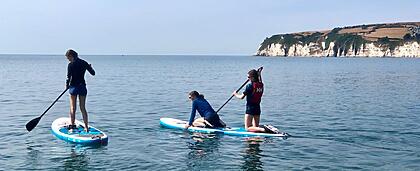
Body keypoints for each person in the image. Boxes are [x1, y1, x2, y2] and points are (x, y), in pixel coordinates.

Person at [233, 68, 278, 133]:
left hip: (250, 108)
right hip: (257, 107)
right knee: (255, 128)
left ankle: (264, 129)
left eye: (249, 77)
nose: (248, 79)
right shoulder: (261, 85)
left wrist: (235, 94)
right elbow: (259, 80)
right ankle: (256, 139)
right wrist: (259, 74)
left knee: (247, 128)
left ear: (253, 77)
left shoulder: (250, 86)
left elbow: (241, 97)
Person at [65, 49, 95, 132]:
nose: (68, 60)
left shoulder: (70, 65)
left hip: (73, 88)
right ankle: (86, 127)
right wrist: (90, 67)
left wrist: (67, 86)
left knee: (72, 107)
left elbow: (68, 77)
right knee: (82, 107)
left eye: (68, 58)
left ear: (71, 56)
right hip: (82, 87)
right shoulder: (84, 63)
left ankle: (72, 125)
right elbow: (93, 73)